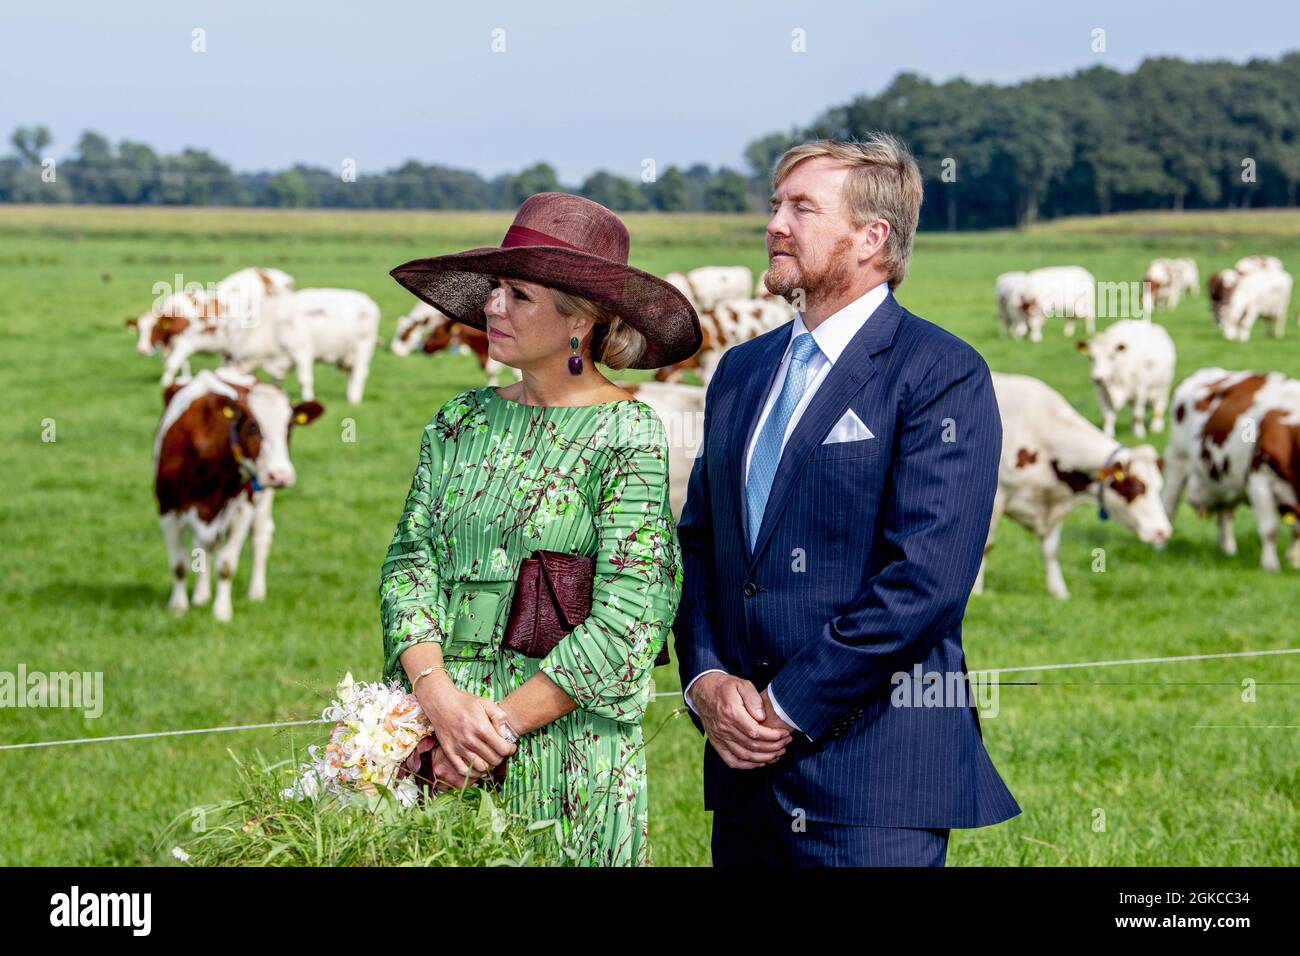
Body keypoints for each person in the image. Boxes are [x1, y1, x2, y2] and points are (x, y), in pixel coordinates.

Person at [675, 135, 1022, 866]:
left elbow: (926, 580)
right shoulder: (741, 369)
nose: (774, 224)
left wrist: (786, 705)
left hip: (874, 786)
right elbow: (701, 544)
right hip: (743, 782)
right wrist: (706, 679)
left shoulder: (941, 372)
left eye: (802, 208)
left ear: (872, 237)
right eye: (775, 205)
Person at [380, 192, 699, 865]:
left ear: (581, 321)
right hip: (433, 745)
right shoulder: (458, 421)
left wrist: (489, 732)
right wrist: (437, 701)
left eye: (517, 295)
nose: (493, 306)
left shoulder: (627, 433)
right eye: (495, 288)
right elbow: (409, 564)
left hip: (564, 764)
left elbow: (632, 616)